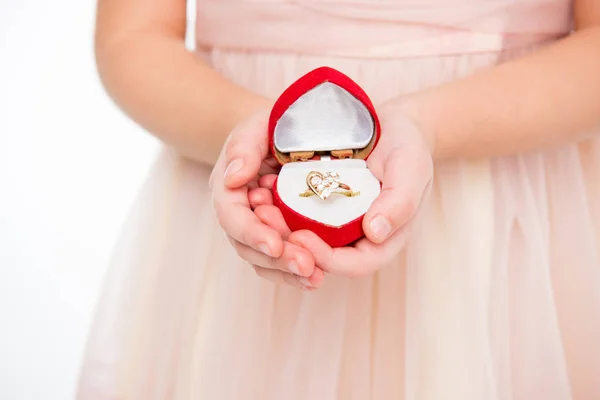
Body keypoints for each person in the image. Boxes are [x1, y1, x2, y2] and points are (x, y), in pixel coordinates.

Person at [78, 0, 600, 399]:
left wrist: (428, 127)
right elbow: (133, 37)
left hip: (503, 217)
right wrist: (262, 136)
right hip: (243, 190)